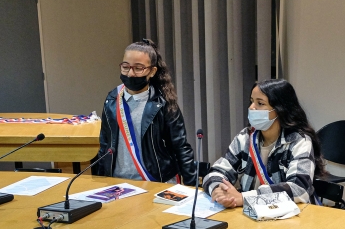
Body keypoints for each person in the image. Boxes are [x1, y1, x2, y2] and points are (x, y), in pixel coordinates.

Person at [202, 79, 325, 206]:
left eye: (260, 103)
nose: (251, 107)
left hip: (290, 214)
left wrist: (244, 198)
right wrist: (218, 190)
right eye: (252, 101)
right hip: (250, 212)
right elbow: (216, 172)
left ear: (280, 109)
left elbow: (299, 189)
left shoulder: (299, 141)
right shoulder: (246, 137)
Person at [94, 39, 196, 185]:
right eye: (125, 67)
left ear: (152, 71)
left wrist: (192, 186)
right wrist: (99, 180)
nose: (130, 73)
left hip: (155, 182)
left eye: (138, 68)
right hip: (118, 183)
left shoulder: (163, 103)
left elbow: (180, 147)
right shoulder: (112, 99)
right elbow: (105, 144)